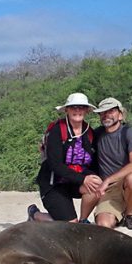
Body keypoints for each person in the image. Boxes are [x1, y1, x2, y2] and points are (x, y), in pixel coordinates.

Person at [28, 92, 103, 223]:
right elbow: (55, 165)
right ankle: (35, 215)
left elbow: (92, 163)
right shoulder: (57, 131)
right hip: (53, 183)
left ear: (86, 110)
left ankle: (83, 220)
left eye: (81, 107)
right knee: (70, 224)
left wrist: (92, 178)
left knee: (97, 184)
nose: (77, 110)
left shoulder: (89, 132)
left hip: (74, 181)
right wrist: (83, 179)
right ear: (67, 110)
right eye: (74, 107)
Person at [91, 97, 132, 230]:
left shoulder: (128, 133)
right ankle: (118, 215)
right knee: (104, 225)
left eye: (111, 111)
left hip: (128, 182)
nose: (106, 115)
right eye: (103, 112)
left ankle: (129, 215)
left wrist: (108, 180)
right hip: (109, 190)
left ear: (120, 115)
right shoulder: (97, 134)